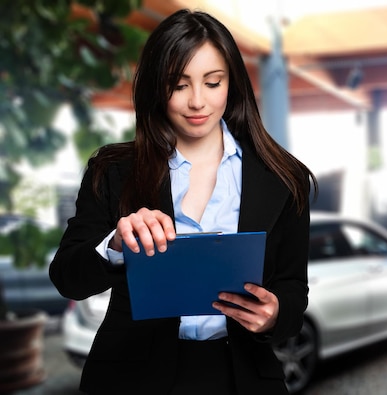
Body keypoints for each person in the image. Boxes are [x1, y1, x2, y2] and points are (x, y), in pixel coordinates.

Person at [49, 8, 317, 395]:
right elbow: (67, 277)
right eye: (178, 84)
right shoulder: (113, 169)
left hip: (241, 377)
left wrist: (274, 315)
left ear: (232, 84)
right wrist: (115, 244)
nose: (197, 102)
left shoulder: (284, 178)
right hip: (131, 377)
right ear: (158, 87)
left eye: (212, 82)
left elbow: (294, 290)